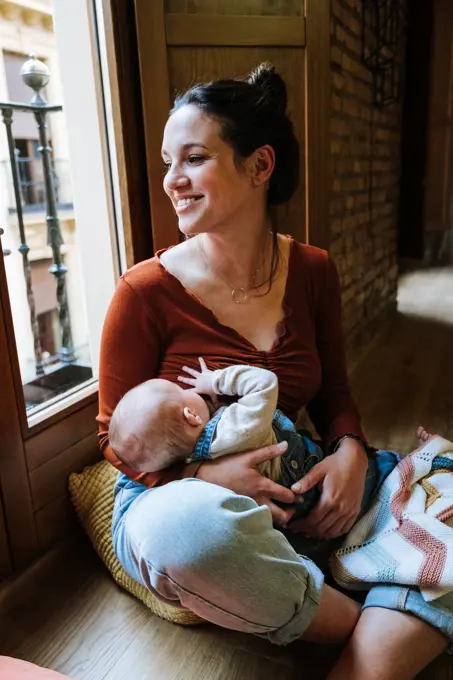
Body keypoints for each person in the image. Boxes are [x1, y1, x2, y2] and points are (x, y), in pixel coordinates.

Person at [97, 62, 450, 678]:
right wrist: (208, 473)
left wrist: (350, 453)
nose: (172, 180)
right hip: (181, 500)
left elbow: (335, 391)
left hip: (299, 481)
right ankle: (369, 627)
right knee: (190, 536)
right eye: (166, 162)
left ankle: (350, 616)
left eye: (194, 159)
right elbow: (114, 440)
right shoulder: (143, 292)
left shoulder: (312, 269)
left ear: (259, 166)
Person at [108, 360, 397, 522]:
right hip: (316, 475)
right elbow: (264, 383)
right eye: (180, 389)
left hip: (294, 515)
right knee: (390, 472)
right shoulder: (236, 426)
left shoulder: (191, 466)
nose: (189, 387)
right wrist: (214, 381)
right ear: (191, 416)